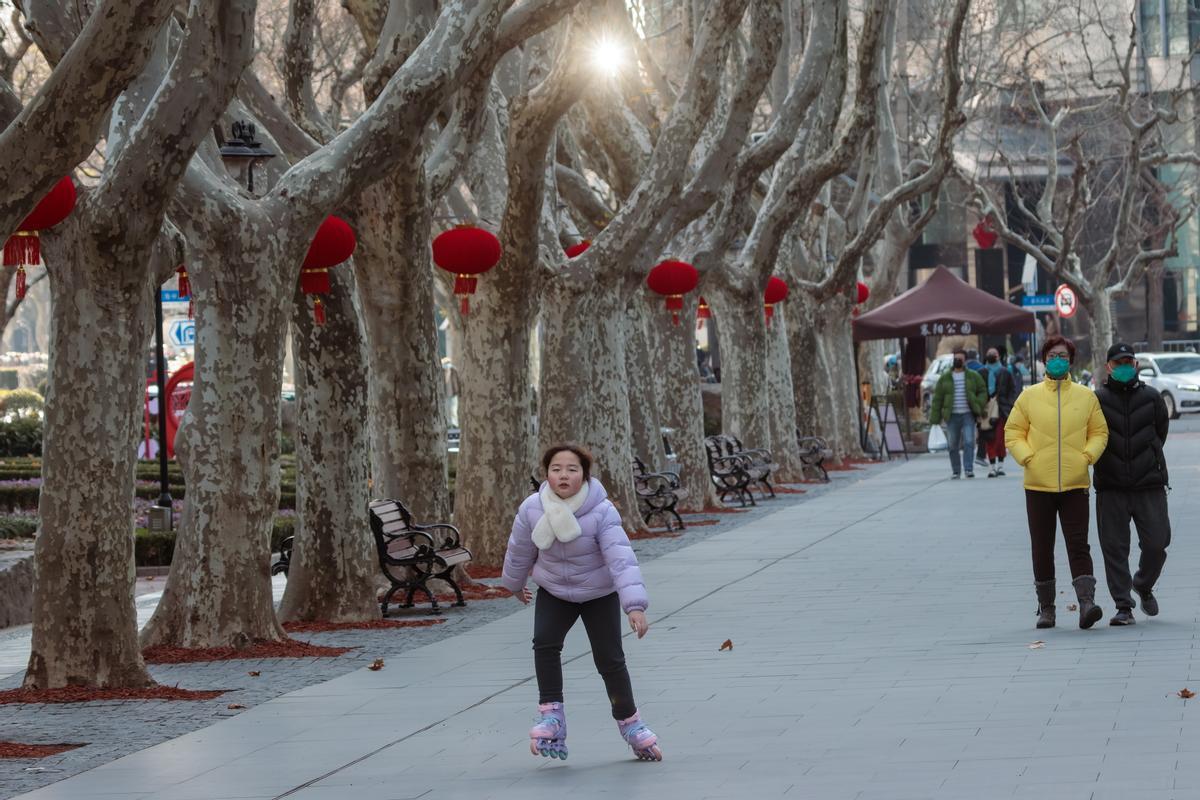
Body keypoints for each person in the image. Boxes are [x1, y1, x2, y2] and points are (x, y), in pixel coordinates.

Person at [501, 443, 662, 762]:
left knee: (609, 659)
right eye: (556, 469)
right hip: (554, 591)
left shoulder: (601, 510)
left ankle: (631, 723)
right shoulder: (533, 507)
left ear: (584, 475)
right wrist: (515, 584)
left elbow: (621, 560)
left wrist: (634, 606)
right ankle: (551, 715)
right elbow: (520, 549)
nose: (563, 475)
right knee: (545, 644)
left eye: (572, 469)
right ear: (546, 473)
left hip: (597, 593)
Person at [1005, 336, 1109, 629]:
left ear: (1071, 361)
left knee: (1079, 545)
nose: (1058, 360)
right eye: (1052, 355)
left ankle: (1086, 603)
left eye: (1063, 355)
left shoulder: (1086, 397)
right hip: (1038, 485)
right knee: (1041, 546)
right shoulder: (1029, 397)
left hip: (1076, 483)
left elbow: (1099, 433)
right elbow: (1013, 432)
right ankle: (1047, 608)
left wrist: (1086, 457)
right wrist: (1029, 458)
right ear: (1044, 360)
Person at [1093, 343, 1171, 626]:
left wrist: (1148, 457)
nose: (1125, 367)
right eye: (1119, 363)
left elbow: (1160, 431)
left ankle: (1143, 583)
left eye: (1129, 362)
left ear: (1136, 365)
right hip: (1111, 485)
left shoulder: (1151, 397)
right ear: (1109, 367)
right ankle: (1123, 606)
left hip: (1148, 483)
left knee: (1157, 543)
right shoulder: (1097, 400)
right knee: (1114, 547)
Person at [929, 348, 987, 479]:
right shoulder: (945, 377)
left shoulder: (973, 375)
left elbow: (983, 390)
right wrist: (935, 418)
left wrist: (978, 404)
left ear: (965, 360)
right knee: (952, 445)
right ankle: (956, 471)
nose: (957, 361)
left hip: (968, 414)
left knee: (969, 442)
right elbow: (938, 398)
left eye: (960, 359)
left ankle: (968, 469)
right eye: (955, 358)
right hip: (952, 416)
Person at [980, 346, 1020, 477]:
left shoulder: (1005, 372)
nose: (992, 355)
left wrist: (1009, 404)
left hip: (1002, 410)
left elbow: (1013, 389)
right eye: (989, 354)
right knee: (989, 438)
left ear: (998, 356)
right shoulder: (982, 372)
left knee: (1000, 438)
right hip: (986, 411)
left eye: (994, 354)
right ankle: (992, 467)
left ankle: (1000, 465)